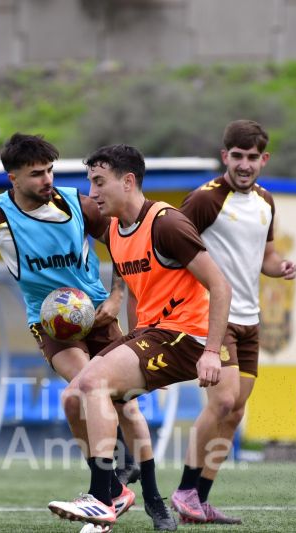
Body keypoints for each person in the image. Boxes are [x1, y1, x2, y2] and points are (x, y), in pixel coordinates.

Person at [0, 134, 174, 530]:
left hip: (98, 317)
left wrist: (114, 296)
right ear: (13, 178)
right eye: (37, 174)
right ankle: (109, 490)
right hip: (53, 326)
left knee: (126, 406)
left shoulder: (78, 204)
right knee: (78, 395)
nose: (47, 180)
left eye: (50, 171)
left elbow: (121, 245)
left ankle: (153, 496)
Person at [47, 144, 233, 531]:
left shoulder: (167, 223)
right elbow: (133, 287)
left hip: (187, 336)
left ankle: (101, 498)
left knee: (95, 381)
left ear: (128, 182)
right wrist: (130, 337)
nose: (92, 192)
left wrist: (212, 352)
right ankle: (124, 492)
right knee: (71, 397)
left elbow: (220, 285)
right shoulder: (115, 229)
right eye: (90, 183)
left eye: (99, 182)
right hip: (152, 333)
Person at [172, 119, 296, 525]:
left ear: (265, 159)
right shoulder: (205, 200)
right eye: (237, 156)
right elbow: (169, 241)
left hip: (250, 320)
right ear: (225, 156)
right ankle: (184, 490)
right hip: (213, 317)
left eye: (253, 157)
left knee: (236, 411)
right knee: (222, 400)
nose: (245, 165)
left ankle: (200, 500)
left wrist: (282, 268)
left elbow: (267, 258)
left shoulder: (266, 201)